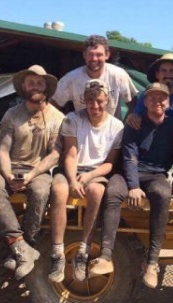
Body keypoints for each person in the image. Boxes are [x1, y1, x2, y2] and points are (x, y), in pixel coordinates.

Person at [89, 82, 173, 289]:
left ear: (168, 102)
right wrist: (134, 186)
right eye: (152, 98)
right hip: (128, 172)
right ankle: (105, 256)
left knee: (163, 195)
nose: (157, 101)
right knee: (113, 191)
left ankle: (152, 263)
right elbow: (129, 157)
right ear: (145, 102)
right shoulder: (134, 123)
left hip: (157, 175)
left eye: (161, 98)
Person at [0, 65, 65, 280]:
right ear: (23, 86)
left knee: (40, 192)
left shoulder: (57, 117)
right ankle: (19, 245)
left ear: (47, 87)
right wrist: (7, 173)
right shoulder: (12, 114)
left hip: (38, 171)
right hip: (10, 167)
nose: (35, 86)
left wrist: (31, 175)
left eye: (40, 83)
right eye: (31, 82)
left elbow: (54, 154)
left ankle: (28, 244)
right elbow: (3, 148)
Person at [48, 79, 124, 283]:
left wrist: (89, 177)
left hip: (96, 171)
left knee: (97, 192)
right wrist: (73, 180)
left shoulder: (117, 126)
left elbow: (110, 164)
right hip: (72, 168)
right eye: (90, 100)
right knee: (59, 190)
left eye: (99, 100)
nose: (95, 106)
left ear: (107, 99)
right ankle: (57, 253)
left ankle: (83, 250)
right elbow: (70, 154)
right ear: (83, 100)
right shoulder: (73, 119)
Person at [50, 35, 138, 119]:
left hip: (111, 131)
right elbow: (52, 105)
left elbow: (134, 103)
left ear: (107, 55)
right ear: (84, 55)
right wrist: (64, 124)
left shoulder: (118, 75)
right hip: (81, 130)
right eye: (90, 54)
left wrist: (126, 126)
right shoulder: (71, 78)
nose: (94, 58)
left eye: (99, 55)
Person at [125, 53, 173, 128]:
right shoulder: (148, 94)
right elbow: (137, 114)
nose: (168, 74)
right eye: (164, 70)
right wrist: (133, 116)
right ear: (157, 74)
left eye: (172, 71)